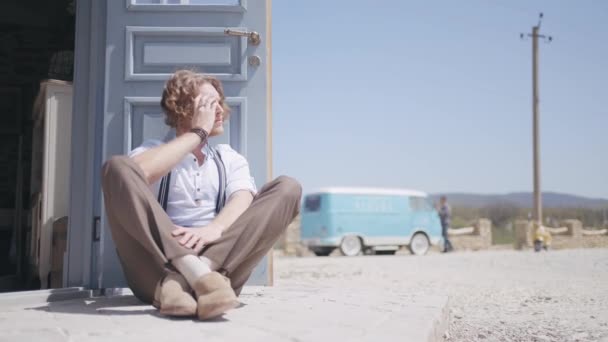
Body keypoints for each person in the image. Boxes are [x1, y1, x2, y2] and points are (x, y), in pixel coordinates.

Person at [101, 70, 301, 320]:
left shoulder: (229, 157)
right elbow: (136, 172)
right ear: (182, 108)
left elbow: (243, 197)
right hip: (156, 269)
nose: (219, 110)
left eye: (219, 102)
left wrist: (214, 229)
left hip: (221, 265)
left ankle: (194, 278)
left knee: (288, 187)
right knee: (116, 167)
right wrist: (198, 133)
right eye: (208, 104)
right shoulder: (152, 152)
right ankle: (190, 275)